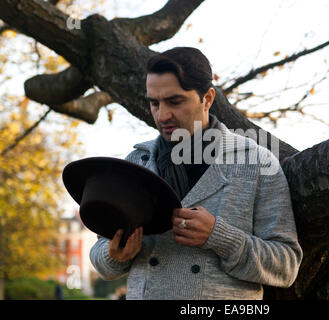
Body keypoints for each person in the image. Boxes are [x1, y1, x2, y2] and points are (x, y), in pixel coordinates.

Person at [89, 47, 302, 299]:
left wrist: (220, 237)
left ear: (208, 98)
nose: (162, 115)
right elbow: (100, 254)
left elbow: (286, 266)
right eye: (154, 103)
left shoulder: (256, 162)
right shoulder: (138, 162)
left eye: (175, 101)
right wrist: (114, 255)